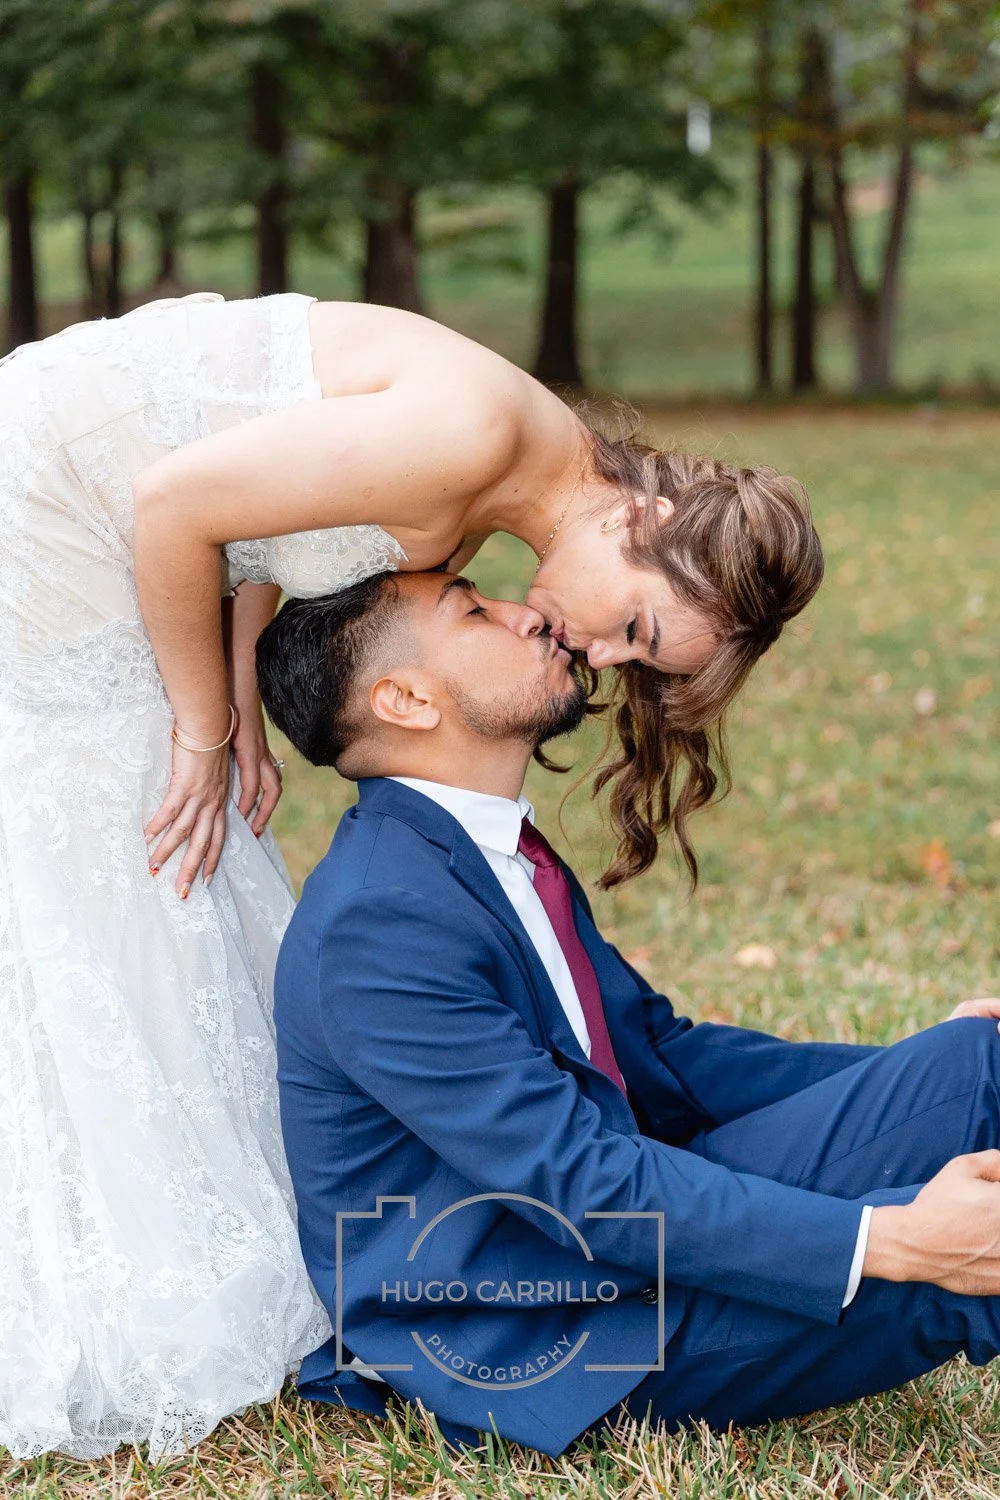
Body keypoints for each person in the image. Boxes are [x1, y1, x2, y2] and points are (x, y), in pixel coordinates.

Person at [0, 286, 813, 1459]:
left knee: (174, 814)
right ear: (650, 516)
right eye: (633, 628)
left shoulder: (491, 506)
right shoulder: (473, 443)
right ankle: (87, 1250)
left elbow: (265, 532)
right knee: (116, 796)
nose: (594, 656)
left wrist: (236, 689)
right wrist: (201, 725)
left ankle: (168, 1215)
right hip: (51, 494)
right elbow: (172, 500)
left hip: (137, 518)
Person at [258, 568, 1000, 1458]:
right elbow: (581, 1182)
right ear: (406, 699)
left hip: (624, 1229)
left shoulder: (486, 849)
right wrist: (893, 1239)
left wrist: (935, 1049)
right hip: (548, 1326)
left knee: (976, 1063)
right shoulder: (376, 920)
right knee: (966, 1267)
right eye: (475, 610)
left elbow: (658, 1055)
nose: (528, 611)